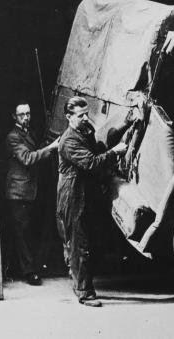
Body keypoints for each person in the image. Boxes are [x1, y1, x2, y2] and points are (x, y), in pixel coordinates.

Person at [57, 96, 127, 307]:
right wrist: (114, 153)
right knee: (80, 244)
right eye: (80, 115)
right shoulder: (69, 140)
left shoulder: (85, 130)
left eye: (87, 113)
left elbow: (97, 146)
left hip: (85, 191)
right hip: (73, 194)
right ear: (69, 117)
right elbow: (91, 162)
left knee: (87, 240)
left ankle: (79, 281)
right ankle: (84, 293)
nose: (86, 118)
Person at [5, 101, 59, 285]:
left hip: (29, 191)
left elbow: (35, 150)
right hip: (18, 192)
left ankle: (24, 268)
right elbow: (28, 158)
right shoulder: (13, 137)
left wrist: (47, 143)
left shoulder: (29, 133)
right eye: (21, 115)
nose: (26, 117)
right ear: (14, 117)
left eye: (28, 114)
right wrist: (51, 147)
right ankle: (29, 272)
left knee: (27, 231)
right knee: (22, 233)